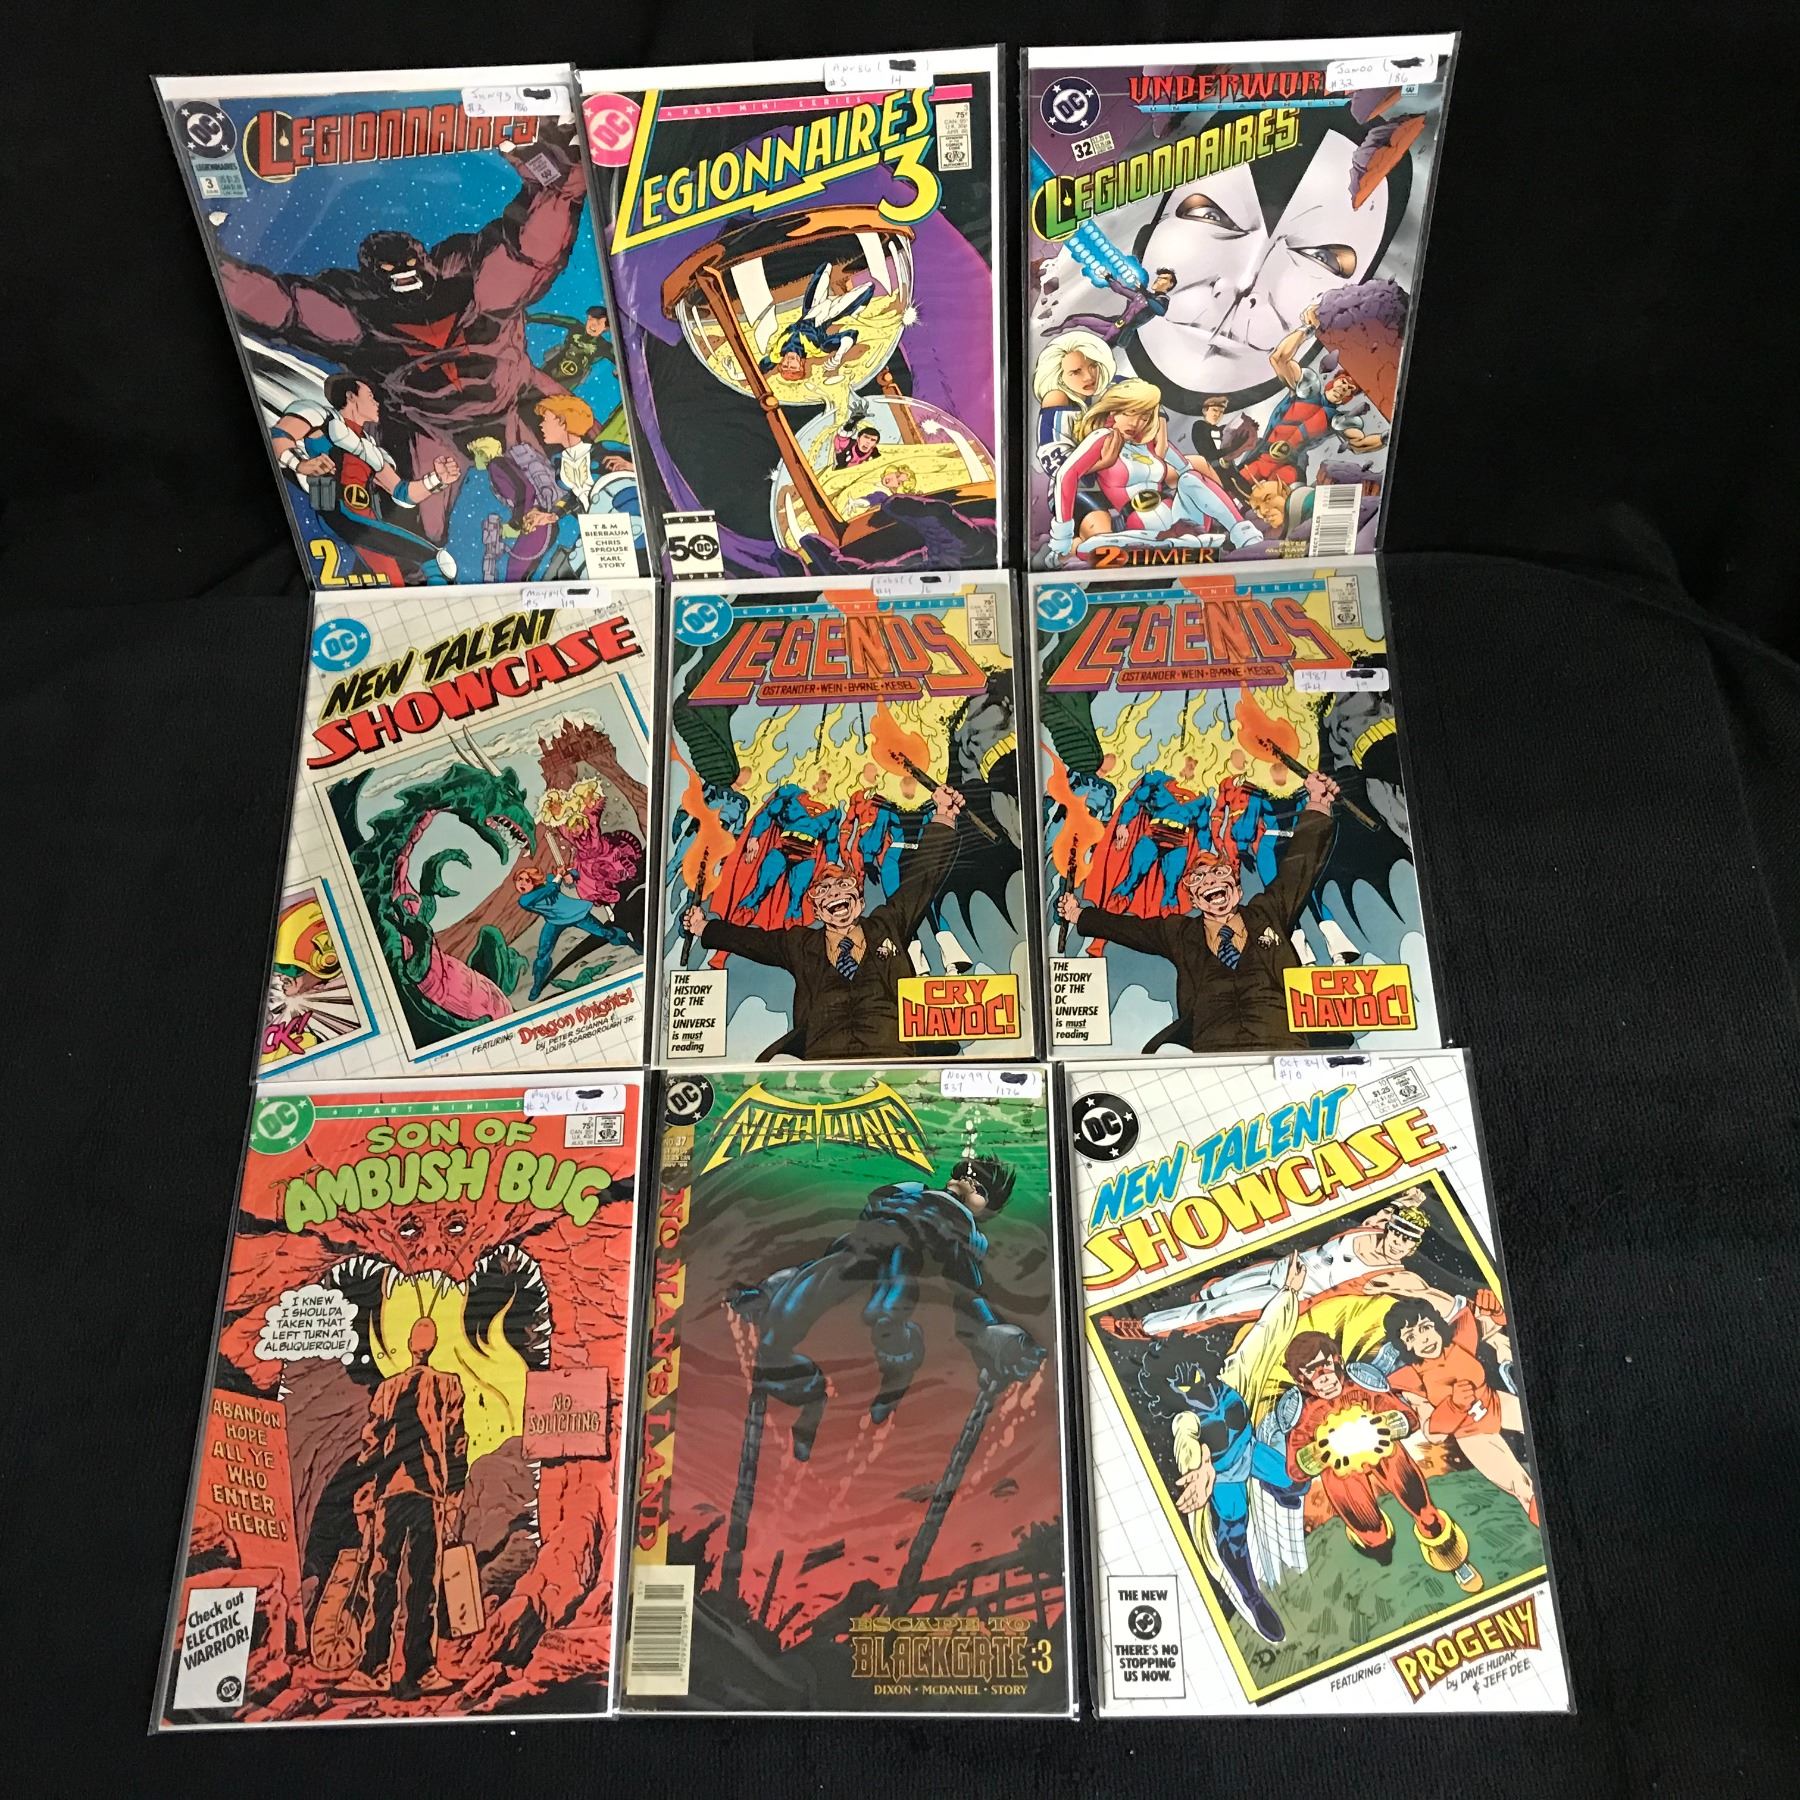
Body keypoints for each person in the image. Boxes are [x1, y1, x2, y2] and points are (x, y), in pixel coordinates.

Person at [729, 1154, 1044, 1459]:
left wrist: (995, 1337)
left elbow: (968, 1292)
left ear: (987, 1208)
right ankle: (809, 1396)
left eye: (979, 1187)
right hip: (859, 1248)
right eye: (963, 1174)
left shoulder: (963, 1229)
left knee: (885, 1315)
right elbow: (870, 1208)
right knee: (787, 1314)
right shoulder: (915, 1191)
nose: (967, 1182)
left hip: (900, 1260)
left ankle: (900, 1366)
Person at [1056, 769, 1339, 1050]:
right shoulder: (1179, 933)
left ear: (1238, 890)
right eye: (1200, 878)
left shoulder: (1267, 913)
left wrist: (1318, 801)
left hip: (1282, 1043)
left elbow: (1298, 868)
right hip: (1213, 1048)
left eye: (1219, 873)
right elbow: (1128, 929)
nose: (1211, 881)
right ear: (1194, 899)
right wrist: (1077, 914)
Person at [683, 784, 966, 1059]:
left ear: (860, 901)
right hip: (824, 1057)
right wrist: (702, 927)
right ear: (817, 911)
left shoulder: (886, 925)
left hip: (891, 1052)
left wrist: (944, 814)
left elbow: (922, 880)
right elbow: (750, 941)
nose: (834, 894)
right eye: (824, 891)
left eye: (843, 886)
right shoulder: (799, 944)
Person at [1275, 1329, 1482, 1590]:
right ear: (1300, 1378)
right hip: (1341, 1472)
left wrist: (1385, 1423)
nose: (1323, 1376)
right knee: (1373, 1534)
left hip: (1384, 1451)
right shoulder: (1302, 1413)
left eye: (1325, 1364)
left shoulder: (1362, 1382)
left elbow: (1408, 1417)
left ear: (1337, 1360)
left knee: (1425, 1512)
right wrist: (1316, 1453)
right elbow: (1295, 1470)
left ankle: (1455, 1561)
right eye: (1311, 1371)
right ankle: (1379, 1549)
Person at [341, 1317, 468, 1698]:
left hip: (401, 1493)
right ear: (427, 1343)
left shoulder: (393, 1388)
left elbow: (372, 1445)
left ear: (415, 1344)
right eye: (423, 1334)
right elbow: (455, 1442)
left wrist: (367, 1489)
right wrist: (453, 1494)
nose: (422, 1341)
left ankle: (384, 1669)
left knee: (391, 1579)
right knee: (413, 1581)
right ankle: (410, 1669)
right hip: (418, 1494)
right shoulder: (443, 1385)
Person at [1047, 378, 1261, 564]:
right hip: (1140, 522)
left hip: (1182, 519)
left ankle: (1242, 533)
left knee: (1190, 477)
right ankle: (1172, 544)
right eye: (1130, 413)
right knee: (1095, 548)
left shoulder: (1149, 442)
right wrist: (1061, 540)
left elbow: (1192, 476)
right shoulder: (1103, 438)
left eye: (1144, 417)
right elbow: (1066, 475)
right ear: (1114, 410)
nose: (1136, 423)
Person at [271, 375, 459, 585]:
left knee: (395, 585)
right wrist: (301, 464)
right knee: (435, 560)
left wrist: (437, 479)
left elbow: (402, 493)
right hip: (337, 514)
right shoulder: (322, 419)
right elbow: (279, 435)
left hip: (368, 522)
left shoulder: (371, 449)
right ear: (351, 396)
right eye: (370, 396)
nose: (376, 403)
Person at [1384, 1293, 1539, 1524]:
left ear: (1436, 1324)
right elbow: (1432, 1434)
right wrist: (1453, 1407)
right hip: (1471, 1434)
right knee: (1525, 1490)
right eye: (1411, 1336)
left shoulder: (1461, 1337)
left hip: (1495, 1402)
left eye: (1425, 1328)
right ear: (1404, 1346)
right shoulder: (1412, 1379)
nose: (1424, 1339)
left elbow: (1496, 1323)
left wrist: (1495, 1310)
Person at [512, 863, 634, 1002]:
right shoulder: (525, 900)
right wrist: (559, 876)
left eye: (527, 880)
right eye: (519, 879)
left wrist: (568, 875)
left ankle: (631, 943)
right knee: (543, 954)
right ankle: (537, 985)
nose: (522, 883)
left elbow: (574, 875)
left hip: (574, 913)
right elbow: (551, 889)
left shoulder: (549, 880)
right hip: (554, 921)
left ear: (534, 881)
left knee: (604, 933)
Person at [1031, 329, 1117, 478]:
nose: (1089, 377)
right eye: (1076, 372)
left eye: (1093, 366)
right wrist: (1103, 464)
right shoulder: (1057, 398)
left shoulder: (1107, 390)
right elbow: (1056, 464)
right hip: (1075, 487)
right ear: (1059, 376)